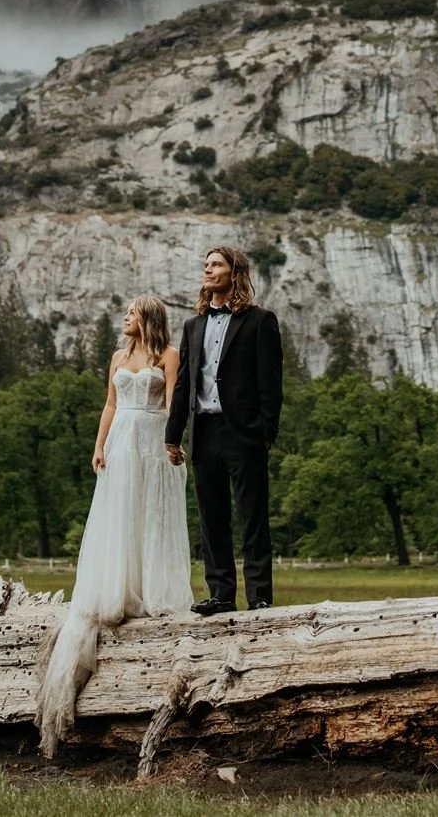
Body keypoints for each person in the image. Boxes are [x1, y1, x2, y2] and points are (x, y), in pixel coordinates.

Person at [33, 294, 189, 756]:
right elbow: (109, 404)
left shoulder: (169, 355)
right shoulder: (118, 358)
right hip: (122, 439)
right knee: (119, 511)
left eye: (130, 313)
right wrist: (98, 445)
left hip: (153, 439)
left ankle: (153, 589)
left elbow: (175, 401)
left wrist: (173, 442)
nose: (124, 319)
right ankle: (120, 588)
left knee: (153, 514)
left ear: (148, 319)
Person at [164, 245, 283, 615]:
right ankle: (220, 595)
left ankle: (260, 595)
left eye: (215, 264)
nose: (207, 270)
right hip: (205, 431)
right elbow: (184, 383)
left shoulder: (260, 321)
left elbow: (271, 384)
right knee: (211, 517)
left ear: (235, 272)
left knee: (252, 516)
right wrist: (173, 434)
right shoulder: (192, 325)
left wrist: (264, 433)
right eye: (206, 265)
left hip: (244, 433)